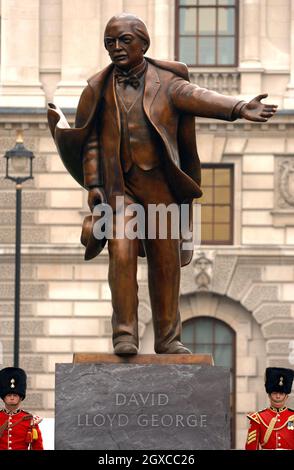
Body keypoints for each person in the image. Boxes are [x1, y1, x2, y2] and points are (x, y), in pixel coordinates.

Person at [47, 13, 278, 356]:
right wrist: (94, 185)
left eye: (124, 40)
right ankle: (124, 333)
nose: (116, 48)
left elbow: (200, 97)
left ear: (144, 43)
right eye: (110, 42)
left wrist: (240, 106)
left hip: (161, 190)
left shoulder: (167, 83)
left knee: (165, 263)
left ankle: (168, 338)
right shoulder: (97, 88)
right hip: (118, 192)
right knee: (121, 252)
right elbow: (91, 141)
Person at [245, 367, 294, 450]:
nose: (278, 396)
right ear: (269, 395)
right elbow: (251, 447)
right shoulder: (258, 418)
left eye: (281, 393)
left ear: (286, 396)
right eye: (274, 393)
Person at [0, 367, 43, 450]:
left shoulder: (30, 420)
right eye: (9, 395)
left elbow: (37, 446)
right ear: (3, 397)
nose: (12, 398)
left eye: (15, 395)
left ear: (20, 397)